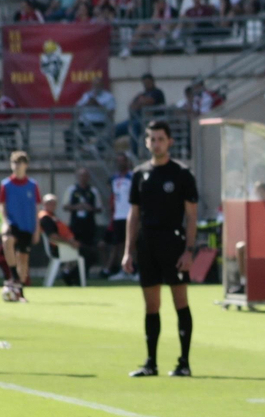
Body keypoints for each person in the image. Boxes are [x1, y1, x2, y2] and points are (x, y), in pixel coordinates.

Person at [121, 119, 199, 377]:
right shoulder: (140, 174)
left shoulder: (182, 174)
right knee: (151, 305)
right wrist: (128, 251)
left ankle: (184, 363)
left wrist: (189, 250)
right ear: (146, 142)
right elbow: (134, 215)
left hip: (173, 243)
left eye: (161, 139)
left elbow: (191, 216)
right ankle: (150, 363)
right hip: (147, 244)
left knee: (180, 302)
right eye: (152, 139)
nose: (156, 144)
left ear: (170, 142)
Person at [0, 150, 41, 300]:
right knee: (7, 240)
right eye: (14, 163)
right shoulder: (6, 184)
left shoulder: (32, 185)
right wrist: (5, 222)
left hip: (27, 226)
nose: (17, 166)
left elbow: (36, 208)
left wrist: (37, 229)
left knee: (23, 259)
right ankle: (13, 275)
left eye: (20, 163)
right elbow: (2, 205)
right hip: (13, 224)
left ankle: (20, 290)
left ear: (26, 165)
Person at [65, 167, 103, 273]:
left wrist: (90, 208)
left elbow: (99, 208)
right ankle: (71, 270)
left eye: (85, 176)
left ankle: (85, 271)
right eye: (81, 175)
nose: (83, 178)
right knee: (74, 247)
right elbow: (65, 206)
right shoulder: (72, 189)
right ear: (77, 177)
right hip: (75, 224)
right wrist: (77, 207)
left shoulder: (93, 191)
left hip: (89, 224)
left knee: (89, 248)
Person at [107, 151, 134, 280]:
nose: (120, 163)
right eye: (118, 161)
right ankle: (122, 270)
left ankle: (135, 270)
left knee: (133, 244)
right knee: (119, 244)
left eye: (123, 160)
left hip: (130, 215)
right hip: (118, 216)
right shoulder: (114, 178)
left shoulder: (132, 177)